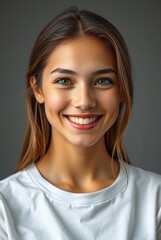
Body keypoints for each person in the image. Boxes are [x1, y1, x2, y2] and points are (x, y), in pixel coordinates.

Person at [0, 7, 161, 240]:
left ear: (123, 90)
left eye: (103, 81)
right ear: (38, 89)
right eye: (64, 80)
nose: (84, 101)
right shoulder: (5, 208)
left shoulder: (155, 201)